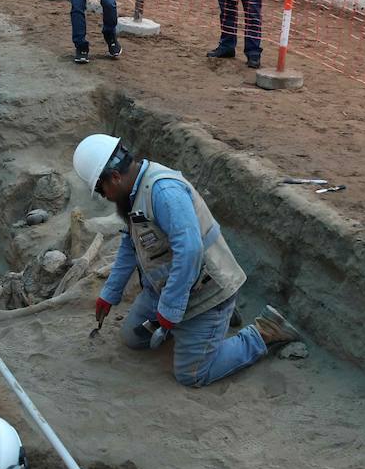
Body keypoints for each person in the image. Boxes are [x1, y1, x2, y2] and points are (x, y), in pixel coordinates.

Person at [72, 134, 302, 387]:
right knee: (133, 338)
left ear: (114, 176)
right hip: (170, 288)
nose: (104, 196)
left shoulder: (163, 192)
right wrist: (110, 293)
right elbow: (130, 244)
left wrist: (170, 310)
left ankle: (264, 332)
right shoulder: (132, 193)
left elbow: (190, 251)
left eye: (101, 189)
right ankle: (209, 323)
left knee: (192, 374)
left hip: (207, 290)